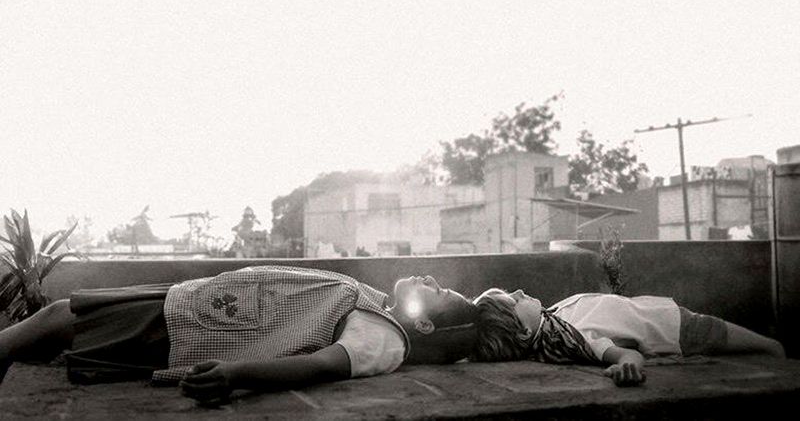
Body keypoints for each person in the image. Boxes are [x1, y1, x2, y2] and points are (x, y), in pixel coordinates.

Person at [0, 266, 477, 404]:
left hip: (191, 328)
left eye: (437, 292)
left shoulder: (384, 337)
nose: (430, 280)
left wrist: (236, 374)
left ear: (425, 324)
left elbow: (322, 365)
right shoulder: (375, 303)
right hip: (193, 303)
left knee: (60, 320)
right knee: (59, 320)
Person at [472, 289, 785, 387]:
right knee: (770, 347)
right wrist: (628, 366)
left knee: (763, 349)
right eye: (513, 300)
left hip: (667, 316)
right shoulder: (570, 338)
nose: (519, 292)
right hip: (680, 329)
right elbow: (623, 353)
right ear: (524, 332)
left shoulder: (552, 321)